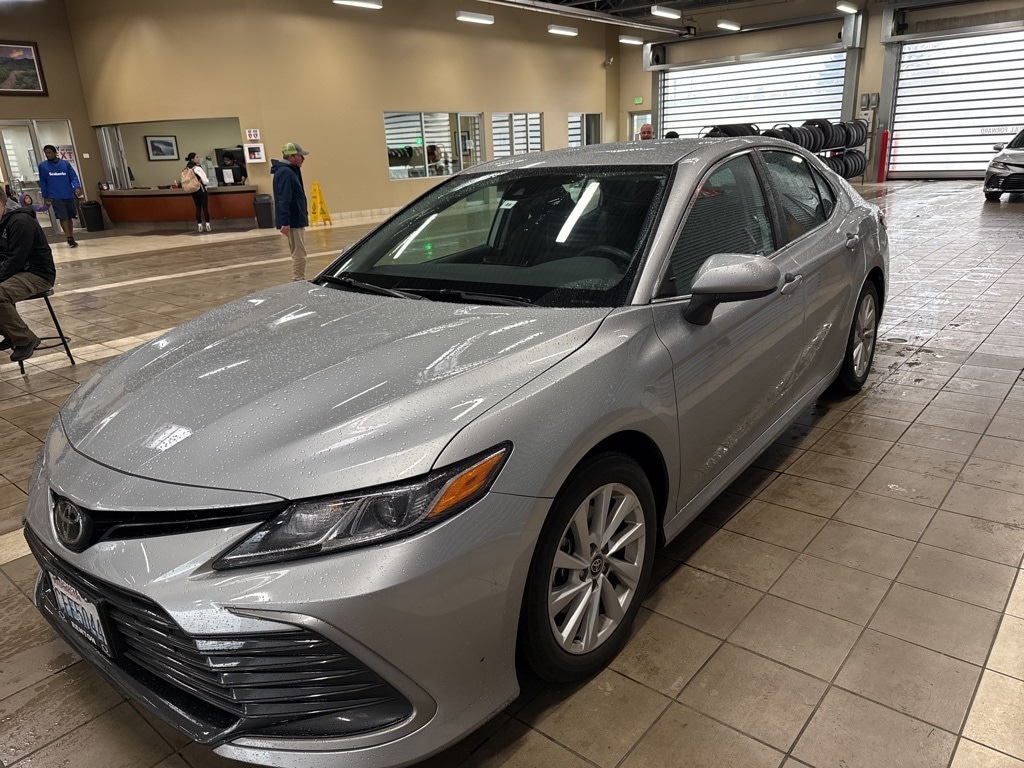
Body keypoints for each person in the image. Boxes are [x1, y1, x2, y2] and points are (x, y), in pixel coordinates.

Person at [0, 201, 56, 363]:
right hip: (18, 272)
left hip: (37, 274)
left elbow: (15, 259)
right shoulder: (3, 223)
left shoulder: (20, 222)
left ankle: (24, 339)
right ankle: (10, 333)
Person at [272, 142, 310, 281]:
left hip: (296, 218)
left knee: (298, 252)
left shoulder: (290, 171)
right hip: (293, 220)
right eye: (300, 156)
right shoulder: (286, 173)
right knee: (299, 253)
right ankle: (298, 280)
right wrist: (285, 221)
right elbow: (284, 198)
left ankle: (299, 278)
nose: (303, 159)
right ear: (292, 156)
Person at [37, 144, 83, 248]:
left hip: (68, 194)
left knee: (69, 217)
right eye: (46, 153)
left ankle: (71, 235)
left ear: (55, 153)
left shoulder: (65, 164)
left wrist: (77, 187)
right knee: (63, 217)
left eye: (49, 152)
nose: (48, 155)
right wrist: (45, 196)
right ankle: (69, 238)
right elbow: (43, 182)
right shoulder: (43, 166)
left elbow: (73, 176)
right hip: (55, 196)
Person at [184, 152, 211, 232]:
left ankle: (199, 225)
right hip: (201, 189)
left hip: (193, 190)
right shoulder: (197, 168)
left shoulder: (187, 168)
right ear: (192, 159)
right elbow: (205, 181)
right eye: (197, 157)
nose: (198, 159)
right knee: (205, 207)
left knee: (198, 207)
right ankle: (207, 225)